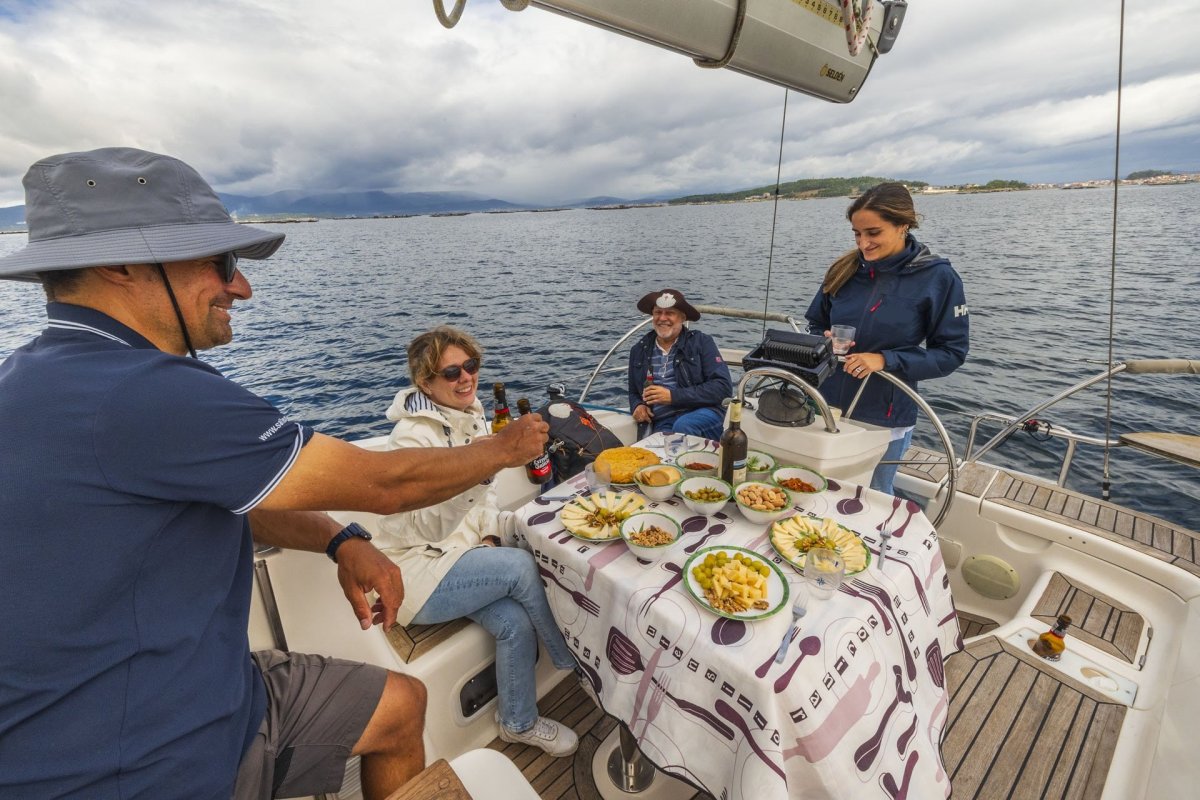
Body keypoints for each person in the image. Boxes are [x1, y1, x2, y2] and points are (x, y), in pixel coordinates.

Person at [0, 147, 550, 800]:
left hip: (208, 685)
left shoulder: (35, 376)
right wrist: (503, 448)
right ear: (120, 263)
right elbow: (387, 485)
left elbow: (235, 497)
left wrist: (339, 540)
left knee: (400, 706)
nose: (242, 288)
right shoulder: (145, 391)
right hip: (141, 758)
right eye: (220, 262)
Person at [374, 326, 579, 756]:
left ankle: (518, 723)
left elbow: (485, 500)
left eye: (470, 365)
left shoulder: (469, 414)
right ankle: (573, 663)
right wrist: (486, 466)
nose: (466, 377)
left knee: (516, 615)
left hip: (460, 555)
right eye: (451, 372)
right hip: (415, 574)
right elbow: (427, 528)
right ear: (424, 383)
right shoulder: (411, 440)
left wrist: (488, 537)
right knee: (520, 566)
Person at [805, 182, 969, 495]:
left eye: (873, 233)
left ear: (903, 225)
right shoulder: (842, 270)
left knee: (874, 496)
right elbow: (816, 323)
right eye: (857, 234)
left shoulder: (938, 278)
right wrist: (822, 340)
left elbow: (951, 353)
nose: (863, 243)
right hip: (824, 406)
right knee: (816, 488)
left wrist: (884, 360)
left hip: (884, 416)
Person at [627, 288, 733, 442]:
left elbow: (722, 387)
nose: (662, 318)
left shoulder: (702, 342)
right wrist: (637, 405)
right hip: (663, 420)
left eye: (669, 313)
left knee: (683, 425)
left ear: (682, 318)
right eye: (658, 312)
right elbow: (633, 392)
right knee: (655, 448)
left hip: (704, 412)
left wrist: (673, 396)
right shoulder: (638, 350)